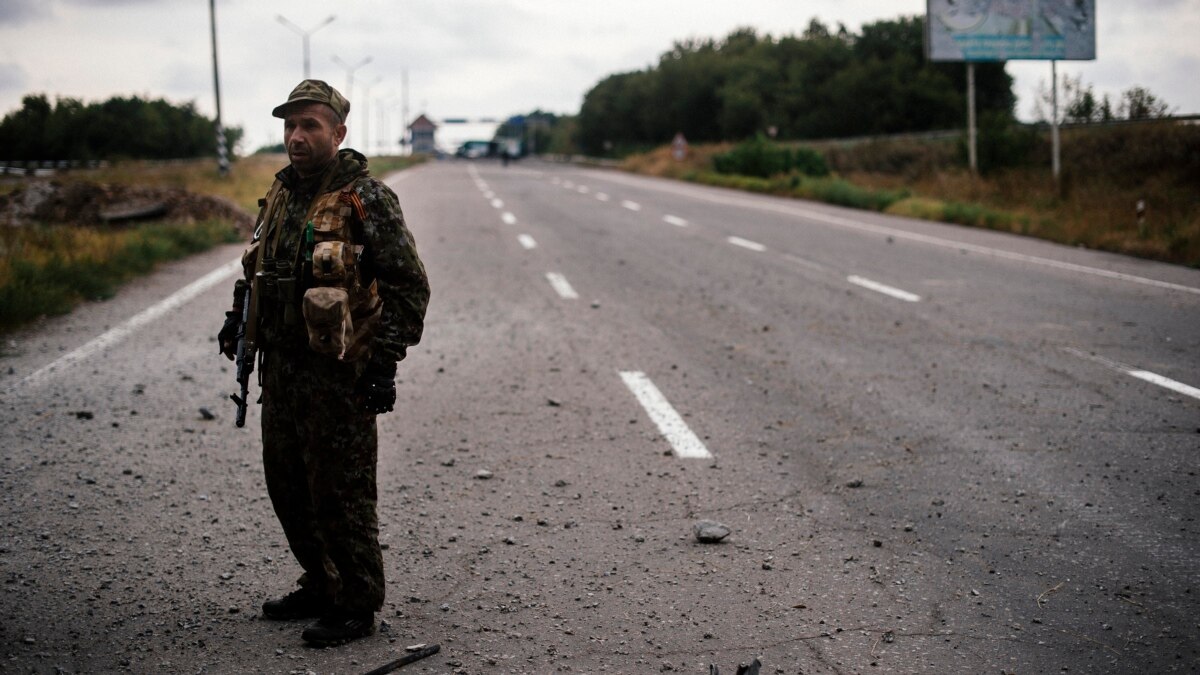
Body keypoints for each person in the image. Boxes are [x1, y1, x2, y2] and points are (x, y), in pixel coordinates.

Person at [218, 79, 430, 646]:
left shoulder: (367, 198)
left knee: (341, 492)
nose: (297, 136)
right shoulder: (282, 192)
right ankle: (321, 582)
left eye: (310, 125)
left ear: (338, 132)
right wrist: (239, 318)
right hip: (281, 370)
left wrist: (384, 364)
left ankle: (358, 603)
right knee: (287, 485)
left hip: (340, 372)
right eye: (290, 126)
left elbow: (409, 286)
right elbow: (260, 268)